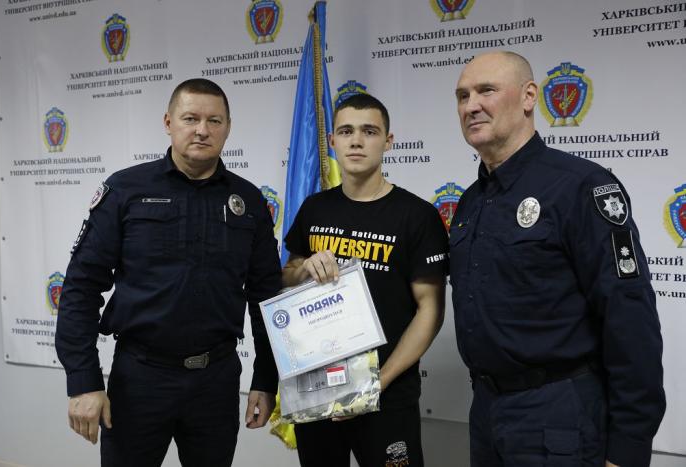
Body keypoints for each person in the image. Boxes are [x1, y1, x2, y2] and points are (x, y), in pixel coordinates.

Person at [449, 51, 666, 467]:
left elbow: (629, 315)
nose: (471, 105)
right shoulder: (471, 201)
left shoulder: (581, 186)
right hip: (487, 413)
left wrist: (629, 446)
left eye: (486, 90)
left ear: (529, 96)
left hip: (559, 415)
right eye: (462, 95)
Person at [55, 78, 281, 467]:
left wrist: (265, 378)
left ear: (228, 127)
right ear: (168, 122)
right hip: (140, 379)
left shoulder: (248, 201)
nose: (202, 130)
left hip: (216, 382)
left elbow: (266, 295)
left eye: (214, 121)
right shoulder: (125, 190)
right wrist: (83, 380)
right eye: (190, 118)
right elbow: (81, 287)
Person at [282, 93, 449, 467]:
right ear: (332, 141)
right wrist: (305, 267)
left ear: (388, 141)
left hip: (387, 394)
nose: (356, 141)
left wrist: (377, 383)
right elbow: (286, 279)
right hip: (319, 390)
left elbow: (431, 311)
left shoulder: (417, 216)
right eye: (346, 131)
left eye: (369, 131)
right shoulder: (314, 208)